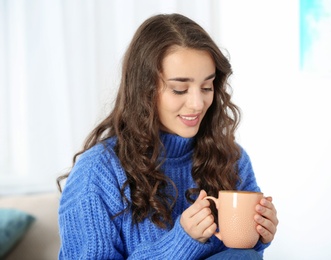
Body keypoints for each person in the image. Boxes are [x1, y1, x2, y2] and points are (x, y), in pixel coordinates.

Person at [56, 13, 278, 259]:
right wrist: (182, 242)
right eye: (179, 89)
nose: (197, 103)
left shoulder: (231, 158)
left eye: (207, 87)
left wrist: (258, 235)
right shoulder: (98, 172)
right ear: (144, 90)